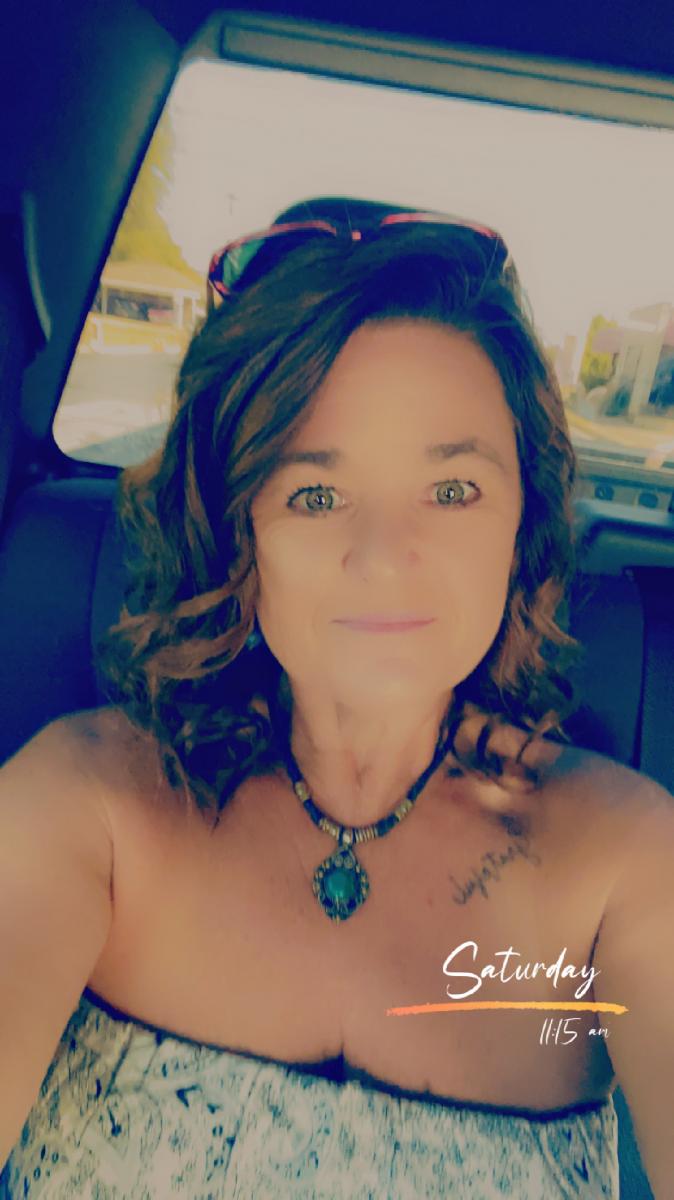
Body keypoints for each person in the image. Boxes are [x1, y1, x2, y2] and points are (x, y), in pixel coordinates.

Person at [2, 195, 672, 1199]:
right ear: (240, 528)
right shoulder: (83, 804)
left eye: (452, 489)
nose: (384, 556)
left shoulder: (624, 864)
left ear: (521, 520)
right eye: (315, 493)